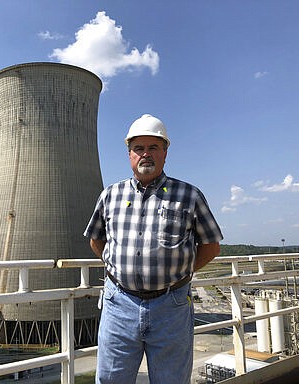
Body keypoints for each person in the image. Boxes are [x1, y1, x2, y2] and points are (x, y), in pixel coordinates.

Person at [84, 114, 223, 384]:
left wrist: (180, 271)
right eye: (139, 148)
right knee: (111, 380)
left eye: (153, 147)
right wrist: (120, 269)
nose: (145, 154)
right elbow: (96, 239)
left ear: (165, 152)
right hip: (118, 306)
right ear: (129, 154)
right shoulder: (110, 195)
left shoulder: (189, 195)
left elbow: (211, 246)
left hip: (170, 307)